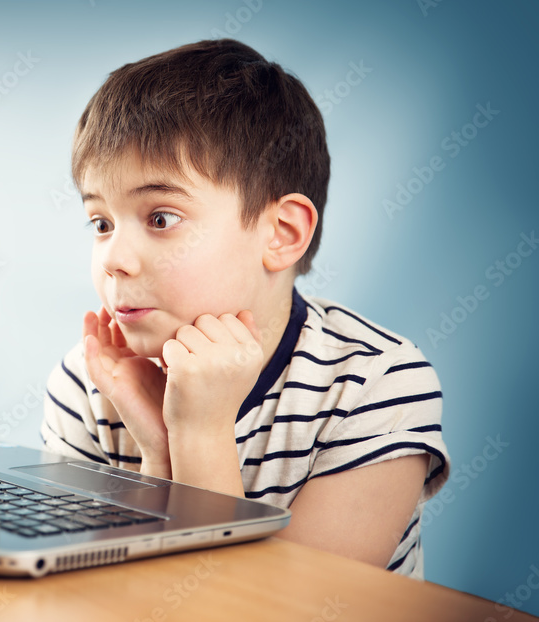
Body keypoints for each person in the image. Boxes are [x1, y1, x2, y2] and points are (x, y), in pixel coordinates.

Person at [40, 38, 449, 578]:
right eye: (101, 223)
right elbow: (99, 594)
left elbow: (272, 611)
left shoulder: (377, 386)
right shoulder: (89, 384)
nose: (113, 259)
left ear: (280, 233)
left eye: (161, 218)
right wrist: (160, 454)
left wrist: (201, 432)